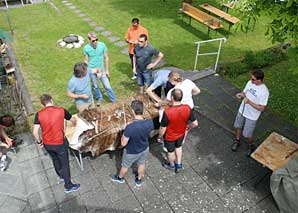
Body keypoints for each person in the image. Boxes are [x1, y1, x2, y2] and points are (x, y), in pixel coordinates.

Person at [33, 94, 80, 193]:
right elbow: (73, 120)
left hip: (47, 144)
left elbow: (35, 132)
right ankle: (68, 185)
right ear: (51, 100)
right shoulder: (61, 111)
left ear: (42, 104)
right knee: (65, 163)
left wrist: (39, 142)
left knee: (54, 159)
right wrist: (75, 123)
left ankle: (61, 175)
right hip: (59, 143)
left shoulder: (39, 114)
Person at [111, 100, 154, 186]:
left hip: (131, 151)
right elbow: (150, 134)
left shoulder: (130, 127)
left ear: (133, 111)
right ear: (142, 110)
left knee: (125, 166)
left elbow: (123, 143)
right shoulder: (150, 122)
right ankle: (139, 179)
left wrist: (126, 128)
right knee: (141, 163)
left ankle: (120, 178)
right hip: (144, 148)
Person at [158, 89, 198, 173]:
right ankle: (179, 163)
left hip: (170, 136)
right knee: (178, 147)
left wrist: (160, 136)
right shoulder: (187, 107)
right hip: (181, 134)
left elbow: (163, 128)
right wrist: (188, 127)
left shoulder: (168, 112)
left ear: (172, 97)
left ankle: (172, 165)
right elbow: (195, 123)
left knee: (170, 152)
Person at [231, 69, 269, 156]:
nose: (251, 81)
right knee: (238, 126)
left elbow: (262, 108)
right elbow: (245, 93)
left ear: (259, 80)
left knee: (247, 134)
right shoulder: (250, 83)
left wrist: (249, 102)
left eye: (253, 79)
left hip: (252, 116)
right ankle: (237, 141)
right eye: (251, 78)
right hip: (242, 110)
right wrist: (241, 95)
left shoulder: (264, 91)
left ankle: (250, 146)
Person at [84, 32, 116, 106]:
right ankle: (99, 97)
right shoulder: (86, 48)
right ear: (89, 40)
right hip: (92, 70)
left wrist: (107, 70)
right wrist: (89, 69)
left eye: (96, 40)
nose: (95, 42)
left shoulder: (102, 45)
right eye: (93, 41)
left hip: (102, 70)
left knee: (107, 86)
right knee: (95, 86)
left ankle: (113, 100)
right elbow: (86, 60)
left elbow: (106, 58)